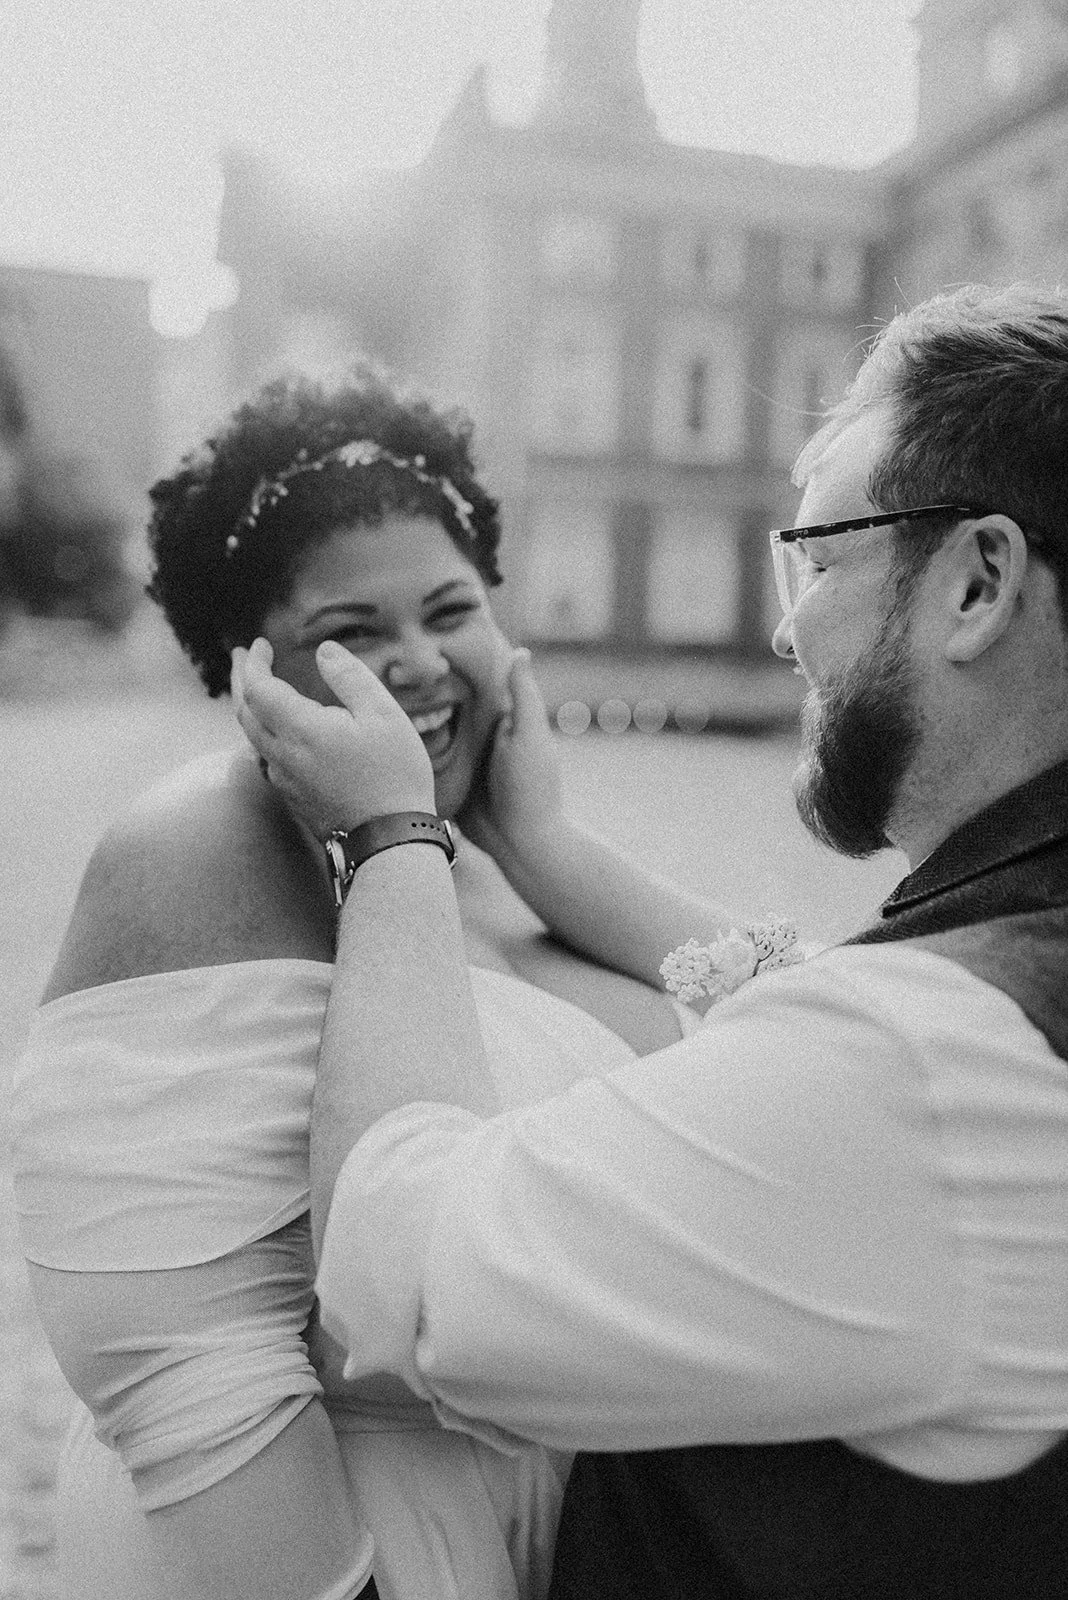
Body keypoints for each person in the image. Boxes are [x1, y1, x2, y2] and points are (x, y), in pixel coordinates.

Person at [233, 283, 1068, 1600]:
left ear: (977, 583)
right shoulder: (1005, 986)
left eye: (819, 552)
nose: (787, 626)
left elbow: (403, 1277)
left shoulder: (939, 1070)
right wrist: (552, 854)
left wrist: (388, 843)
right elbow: (813, 1021)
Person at [11, 365, 728, 1600]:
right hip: (353, 1541)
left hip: (573, 1528)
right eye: (353, 633)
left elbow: (818, 1032)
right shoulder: (199, 847)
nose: (421, 665)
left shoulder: (503, 861)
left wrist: (554, 852)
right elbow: (174, 1366)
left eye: (451, 611)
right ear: (246, 667)